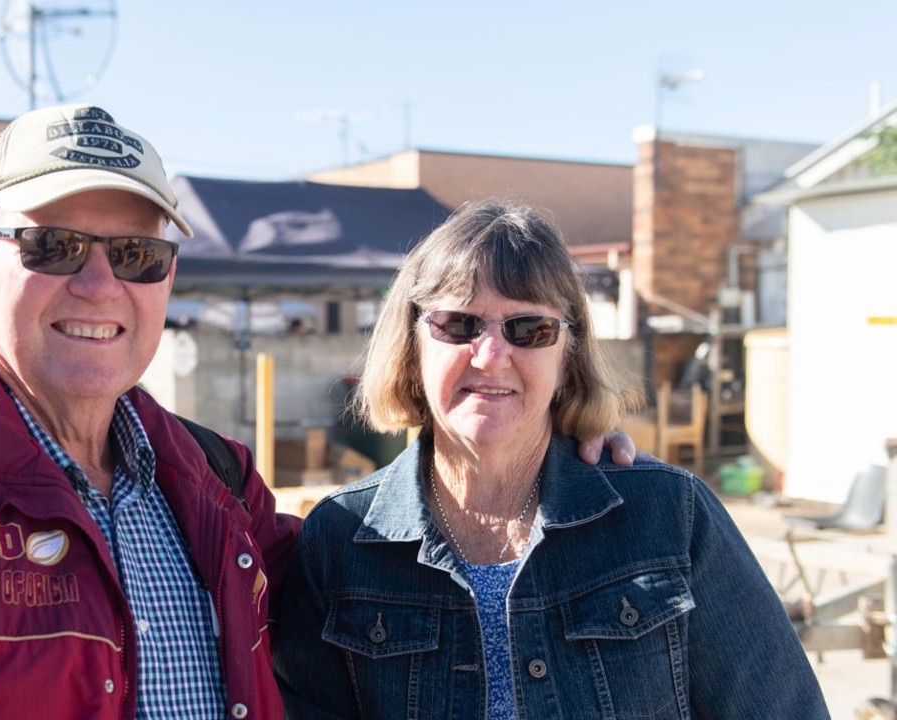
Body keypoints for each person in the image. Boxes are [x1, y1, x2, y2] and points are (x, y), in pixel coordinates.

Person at [0, 105, 636, 719]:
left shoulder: (216, 480)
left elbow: (386, 577)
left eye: (137, 255)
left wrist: (539, 450)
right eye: (54, 243)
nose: (98, 283)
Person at [273, 201, 827, 719]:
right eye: (459, 324)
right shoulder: (341, 542)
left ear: (568, 356)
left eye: (529, 329)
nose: (491, 356)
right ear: (412, 345)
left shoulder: (668, 516)